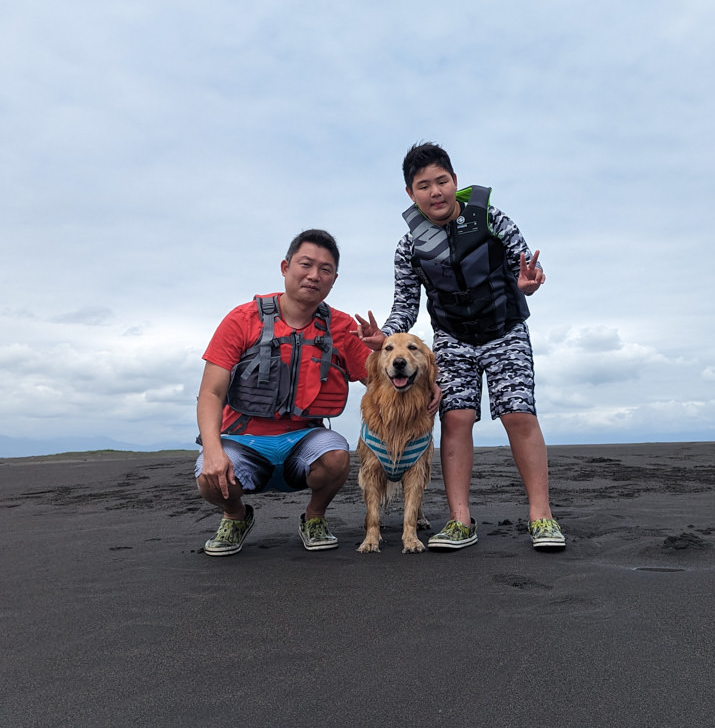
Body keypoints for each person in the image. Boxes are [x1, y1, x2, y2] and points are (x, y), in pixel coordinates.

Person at [357, 142, 565, 551]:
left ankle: (541, 517)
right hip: (453, 339)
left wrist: (528, 281)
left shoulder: (492, 218)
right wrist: (385, 335)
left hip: (504, 330)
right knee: (455, 418)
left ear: (455, 180)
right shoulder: (408, 247)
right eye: (424, 186)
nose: (435, 192)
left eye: (442, 181)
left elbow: (523, 264)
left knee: (518, 414)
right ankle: (459, 521)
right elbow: (405, 305)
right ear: (410, 193)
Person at [195, 229, 372, 556]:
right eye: (306, 264)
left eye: (325, 269)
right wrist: (212, 450)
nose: (314, 275)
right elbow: (210, 393)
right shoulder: (241, 320)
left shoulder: (342, 327)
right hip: (243, 439)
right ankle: (235, 517)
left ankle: (314, 517)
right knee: (209, 477)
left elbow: (381, 380)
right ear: (285, 267)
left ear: (334, 279)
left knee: (337, 456)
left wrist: (388, 351)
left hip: (304, 440)